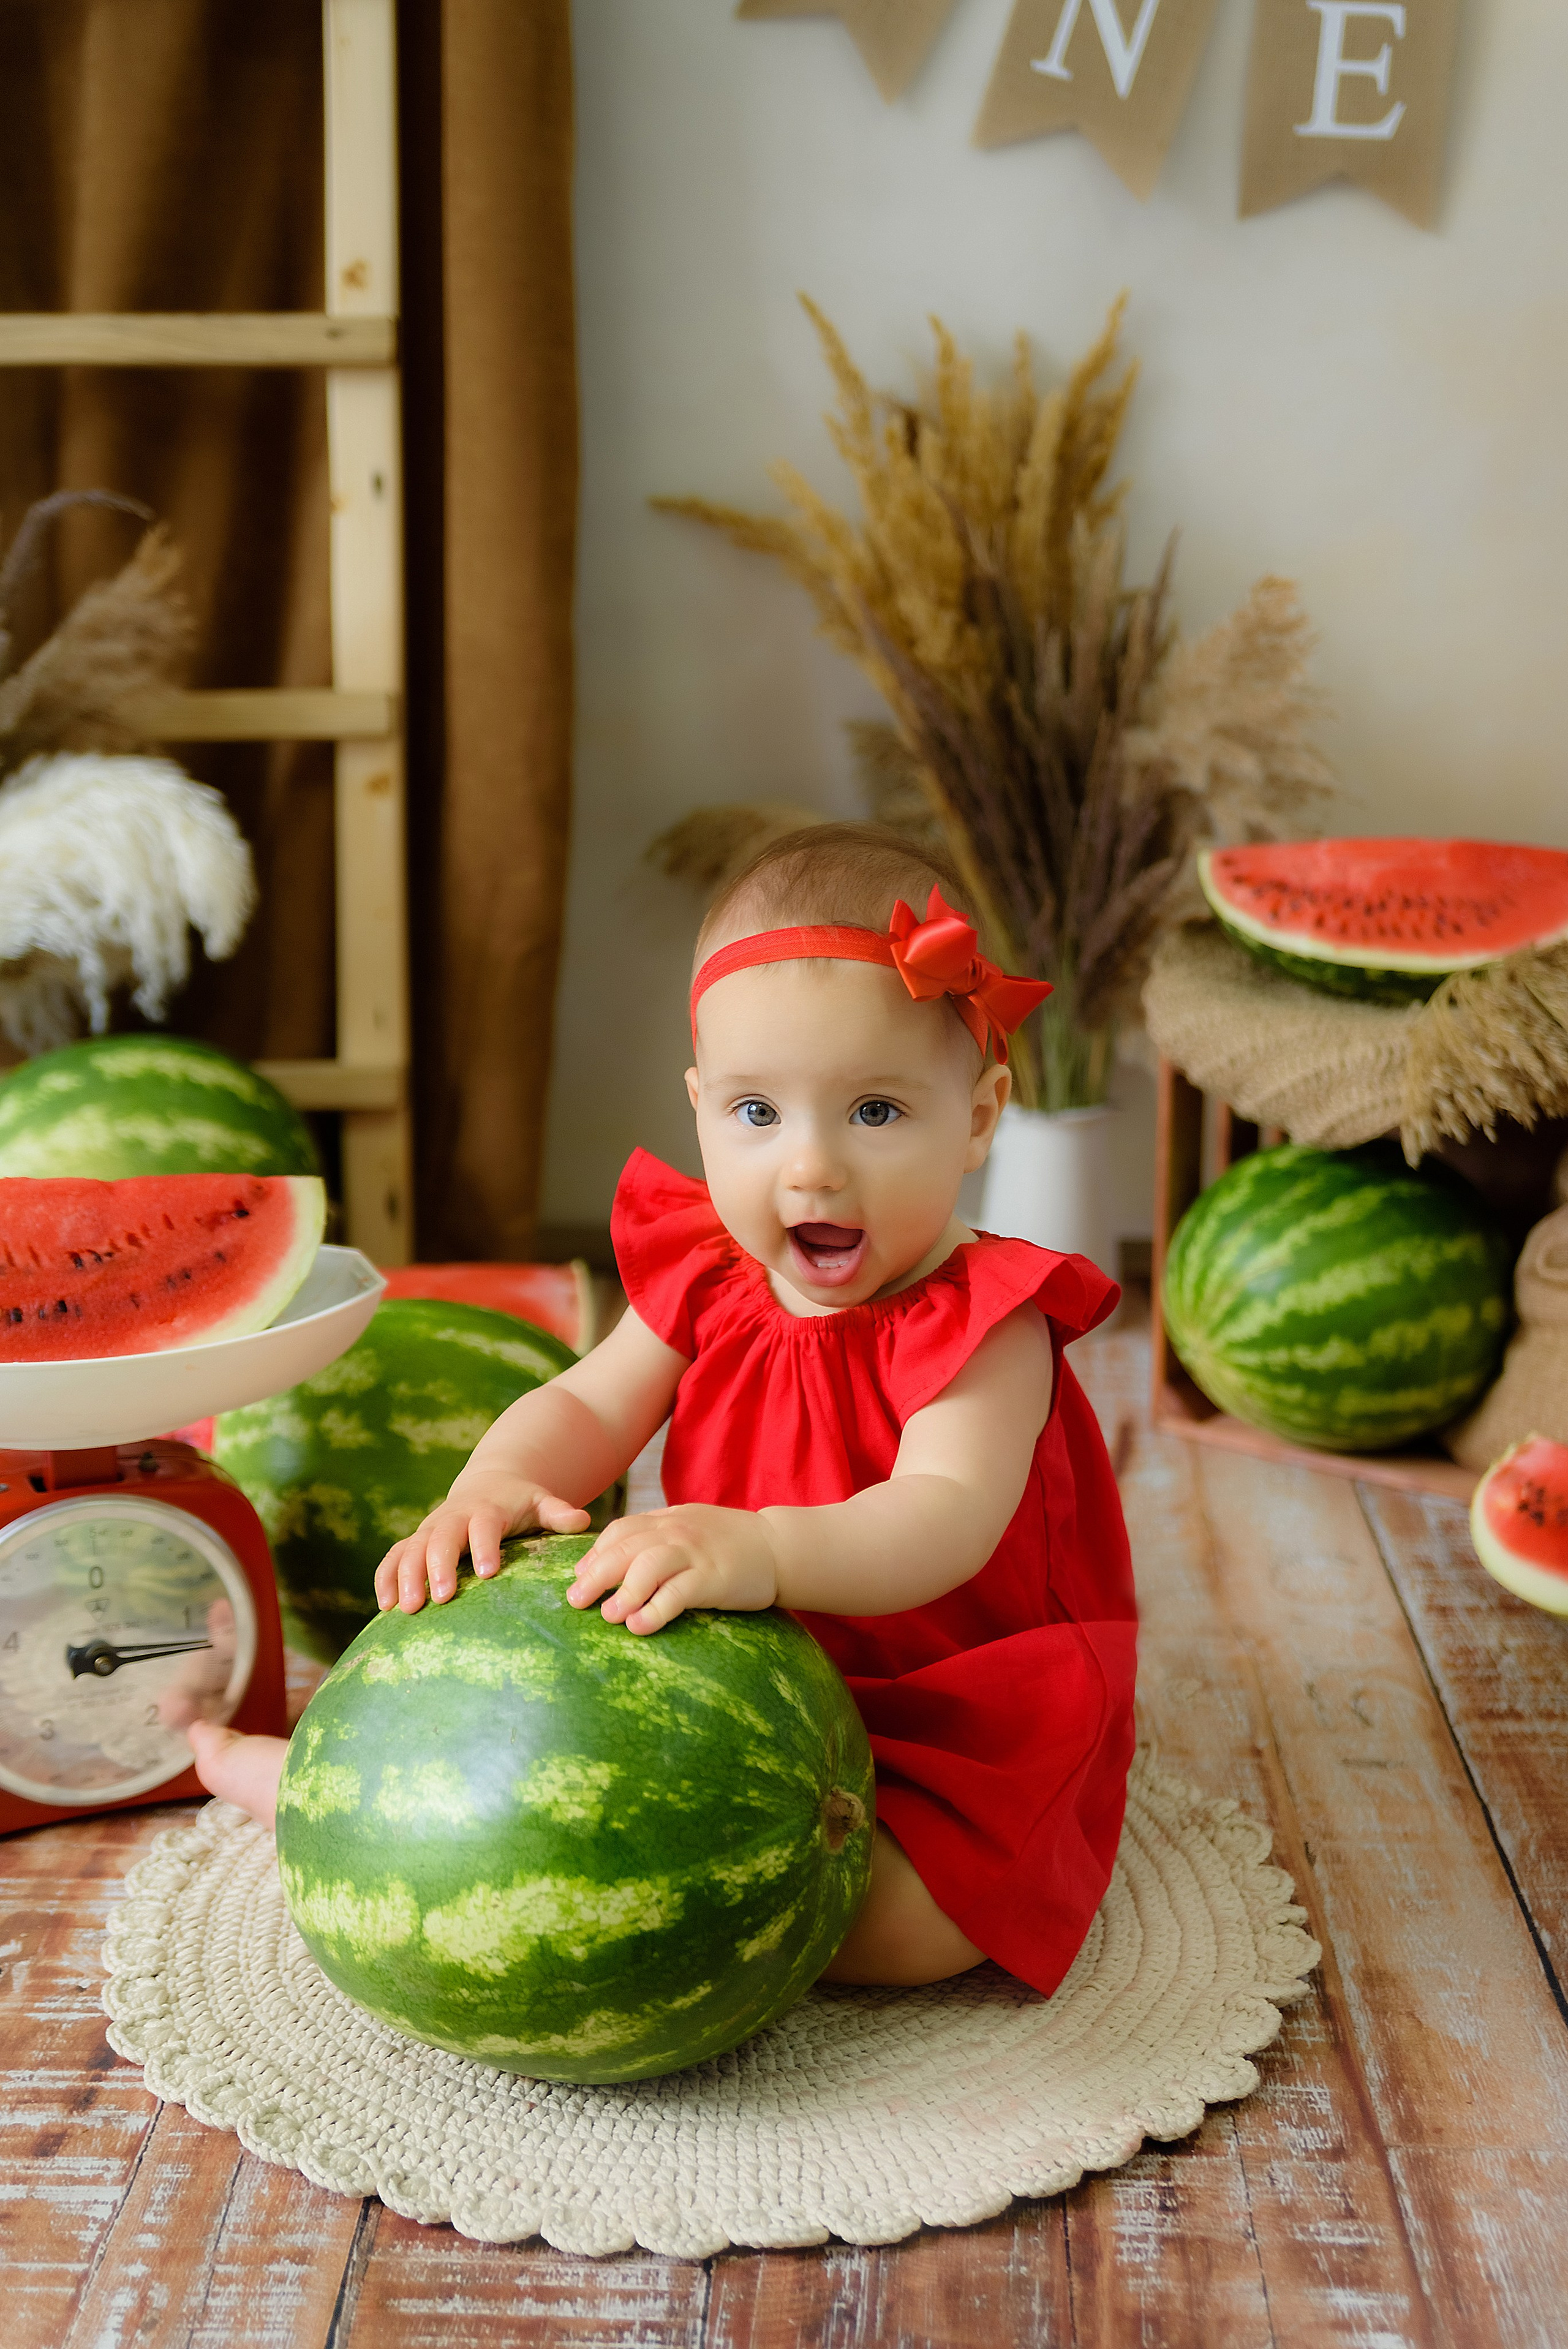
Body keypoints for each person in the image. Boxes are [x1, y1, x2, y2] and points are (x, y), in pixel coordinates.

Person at [192, 824, 1137, 1993]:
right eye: (757, 1114)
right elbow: (586, 1405)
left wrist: (756, 1545)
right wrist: (490, 1482)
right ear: (699, 1108)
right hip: (726, 1667)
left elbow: (943, 1517)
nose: (811, 1169)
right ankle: (352, 1798)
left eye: (876, 1112)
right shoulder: (708, 1271)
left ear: (982, 1112)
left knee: (912, 1937)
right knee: (537, 1769)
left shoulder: (989, 1318)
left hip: (942, 1696)